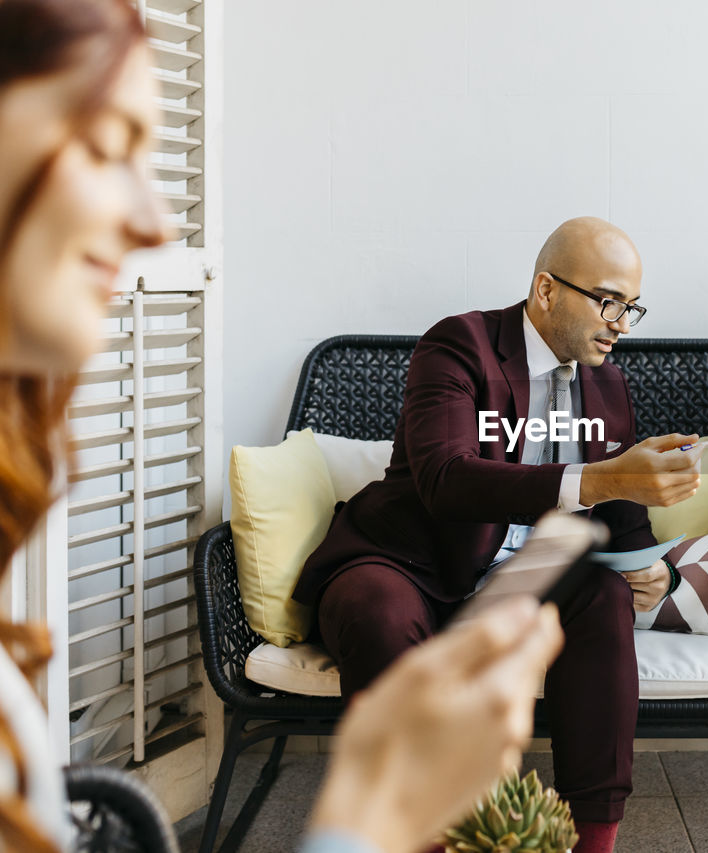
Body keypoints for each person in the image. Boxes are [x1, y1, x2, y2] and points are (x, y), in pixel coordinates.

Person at [0, 2, 562, 852]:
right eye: (108, 148)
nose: (158, 223)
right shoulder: (461, 344)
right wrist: (372, 814)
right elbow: (448, 476)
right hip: (390, 561)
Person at [293, 215, 702, 853]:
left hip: (524, 577)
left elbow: (625, 517)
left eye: (632, 306)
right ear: (546, 289)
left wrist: (656, 570)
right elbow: (446, 478)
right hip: (412, 561)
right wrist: (595, 479)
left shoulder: (608, 384)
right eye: (608, 301)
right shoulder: (459, 345)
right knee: (373, 606)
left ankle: (593, 840)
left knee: (604, 597)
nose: (622, 322)